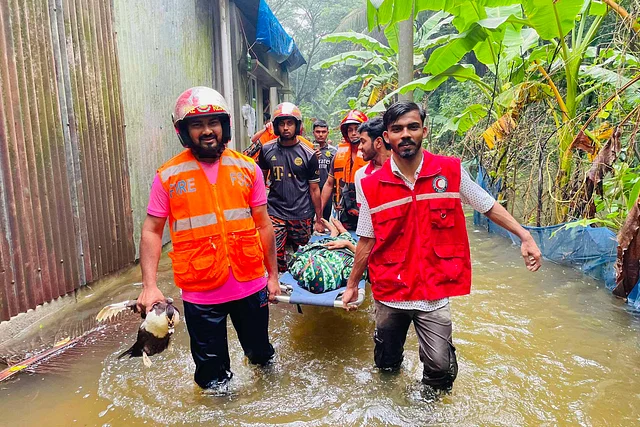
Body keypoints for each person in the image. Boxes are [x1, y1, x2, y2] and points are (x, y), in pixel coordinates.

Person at [342, 101, 542, 394]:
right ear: (386, 137)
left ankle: (428, 415)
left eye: (412, 127)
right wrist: (352, 284)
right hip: (391, 290)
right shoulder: (371, 185)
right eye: (397, 129)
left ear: (424, 130)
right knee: (386, 362)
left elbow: (486, 205)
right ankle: (390, 402)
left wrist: (525, 235)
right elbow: (367, 239)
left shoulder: (450, 172)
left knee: (441, 368)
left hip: (433, 291)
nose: (405, 134)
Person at [136, 86, 280, 390]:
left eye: (213, 123)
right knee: (212, 379)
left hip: (250, 284)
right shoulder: (168, 176)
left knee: (262, 357)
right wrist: (149, 286)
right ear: (184, 131)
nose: (207, 131)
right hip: (201, 293)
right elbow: (151, 230)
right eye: (197, 125)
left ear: (224, 126)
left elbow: (264, 226)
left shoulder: (248, 168)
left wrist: (273, 277)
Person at [258, 102, 324, 272]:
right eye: (282, 123)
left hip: (301, 213)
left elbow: (314, 189)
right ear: (276, 126)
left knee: (302, 257)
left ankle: (299, 293)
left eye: (290, 123)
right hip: (275, 211)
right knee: (273, 252)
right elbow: (260, 180)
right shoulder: (266, 150)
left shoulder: (308, 154)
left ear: (297, 126)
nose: (286, 127)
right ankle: (278, 290)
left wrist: (319, 219)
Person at [320, 110, 369, 230]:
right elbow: (329, 184)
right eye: (350, 130)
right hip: (343, 214)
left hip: (366, 214)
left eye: (357, 129)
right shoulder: (338, 155)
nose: (353, 133)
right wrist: (319, 212)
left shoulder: (372, 154)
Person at [288, 218, 360, 294]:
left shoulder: (299, 270)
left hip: (323, 249)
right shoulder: (346, 273)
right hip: (343, 252)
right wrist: (347, 244)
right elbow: (363, 260)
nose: (307, 262)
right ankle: (344, 233)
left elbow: (300, 253)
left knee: (320, 246)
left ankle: (334, 234)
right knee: (345, 242)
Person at [353, 116, 391, 208]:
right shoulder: (361, 175)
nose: (359, 147)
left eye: (363, 142)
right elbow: (365, 213)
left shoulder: (404, 168)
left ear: (378, 142)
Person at [312, 120, 337, 221]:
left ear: (328, 133)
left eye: (323, 132)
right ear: (313, 132)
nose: (320, 134)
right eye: (318, 132)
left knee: (324, 220)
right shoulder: (306, 150)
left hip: (327, 190)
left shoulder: (333, 151)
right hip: (310, 191)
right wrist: (312, 159)